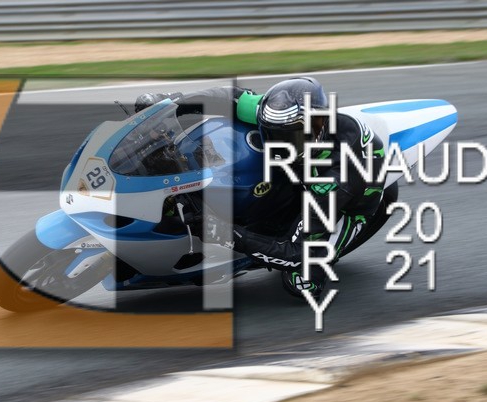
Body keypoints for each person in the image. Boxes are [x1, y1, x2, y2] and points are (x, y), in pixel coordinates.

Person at [135, 77, 396, 299]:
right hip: (308, 167)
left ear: (315, 129)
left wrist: (226, 234)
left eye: (290, 138)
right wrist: (171, 104)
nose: (280, 145)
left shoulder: (334, 182)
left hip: (350, 199)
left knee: (302, 281)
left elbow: (296, 254)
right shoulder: (280, 116)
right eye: (273, 134)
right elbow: (230, 96)